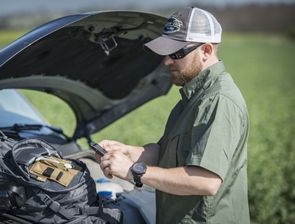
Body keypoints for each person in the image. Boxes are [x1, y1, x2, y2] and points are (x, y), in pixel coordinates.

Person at [97, 6, 250, 224]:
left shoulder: (218, 100)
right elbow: (165, 153)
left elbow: (206, 181)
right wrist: (127, 152)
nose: (167, 61)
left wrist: (133, 172)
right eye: (167, 52)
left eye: (176, 53)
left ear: (206, 51)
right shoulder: (191, 98)